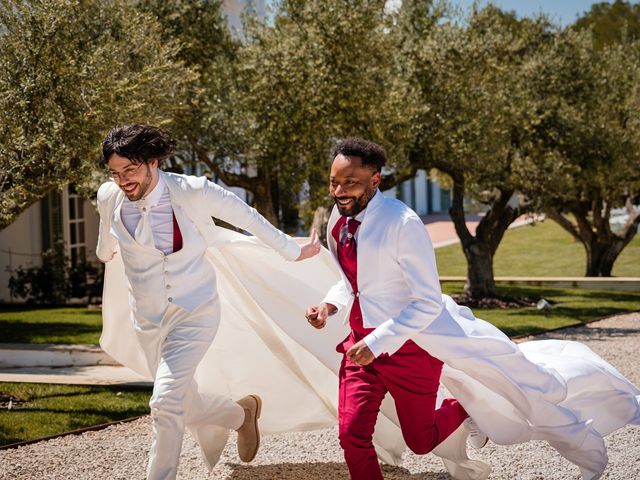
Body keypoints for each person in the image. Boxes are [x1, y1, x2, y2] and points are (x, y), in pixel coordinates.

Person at [95, 124, 320, 480]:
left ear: (153, 162)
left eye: (131, 170)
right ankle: (240, 415)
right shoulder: (109, 195)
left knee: (165, 402)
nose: (123, 181)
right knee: (181, 400)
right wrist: (105, 250)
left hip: (194, 312)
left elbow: (247, 218)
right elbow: (106, 240)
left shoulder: (193, 191)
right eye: (115, 173)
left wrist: (293, 251)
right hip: (148, 321)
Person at [305, 138, 487, 479]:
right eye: (334, 182)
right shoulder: (337, 218)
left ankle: (464, 409)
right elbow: (354, 281)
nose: (339, 191)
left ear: (376, 180)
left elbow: (428, 302)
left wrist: (378, 342)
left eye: (350, 182)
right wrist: (330, 305)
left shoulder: (404, 224)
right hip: (359, 349)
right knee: (351, 434)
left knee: (421, 442)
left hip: (409, 350)